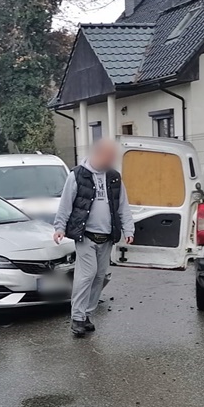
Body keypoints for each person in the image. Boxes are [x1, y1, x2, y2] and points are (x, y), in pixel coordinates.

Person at [53, 139, 135, 338]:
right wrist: (60, 227)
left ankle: (87, 314)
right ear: (97, 154)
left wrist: (129, 230)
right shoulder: (77, 175)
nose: (111, 160)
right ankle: (77, 317)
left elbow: (122, 206)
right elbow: (66, 204)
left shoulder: (114, 177)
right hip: (86, 235)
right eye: (108, 156)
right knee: (86, 275)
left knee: (100, 276)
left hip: (106, 236)